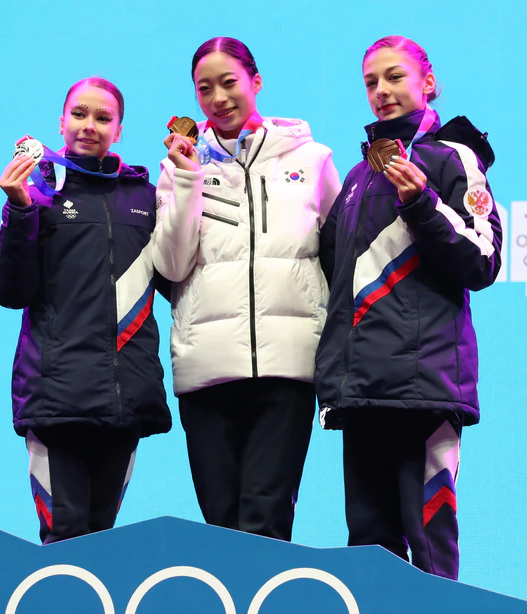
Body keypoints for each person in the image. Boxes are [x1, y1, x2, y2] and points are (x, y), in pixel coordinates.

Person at [315, 35, 502, 579]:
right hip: (361, 391)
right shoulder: (357, 177)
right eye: (371, 82)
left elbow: (484, 259)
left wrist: (421, 202)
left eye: (395, 76)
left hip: (425, 391)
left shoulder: (453, 159)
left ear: (429, 82)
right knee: (368, 555)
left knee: (430, 553)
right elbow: (336, 276)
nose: (381, 90)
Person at [153, 37, 341, 541]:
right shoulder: (178, 168)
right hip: (207, 371)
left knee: (266, 522)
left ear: (255, 82)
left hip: (287, 369)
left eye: (229, 82)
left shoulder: (313, 160)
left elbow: (339, 258)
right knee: (221, 527)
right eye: (204, 88)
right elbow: (170, 267)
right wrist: (187, 180)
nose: (218, 98)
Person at [0, 77, 171, 544]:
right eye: (79, 114)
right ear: (61, 122)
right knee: (65, 540)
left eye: (103, 117)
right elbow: (11, 290)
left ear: (119, 130)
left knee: (102, 542)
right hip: (56, 398)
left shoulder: (143, 196)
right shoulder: (36, 189)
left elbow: (175, 277)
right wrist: (19, 209)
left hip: (124, 398)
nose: (90, 125)